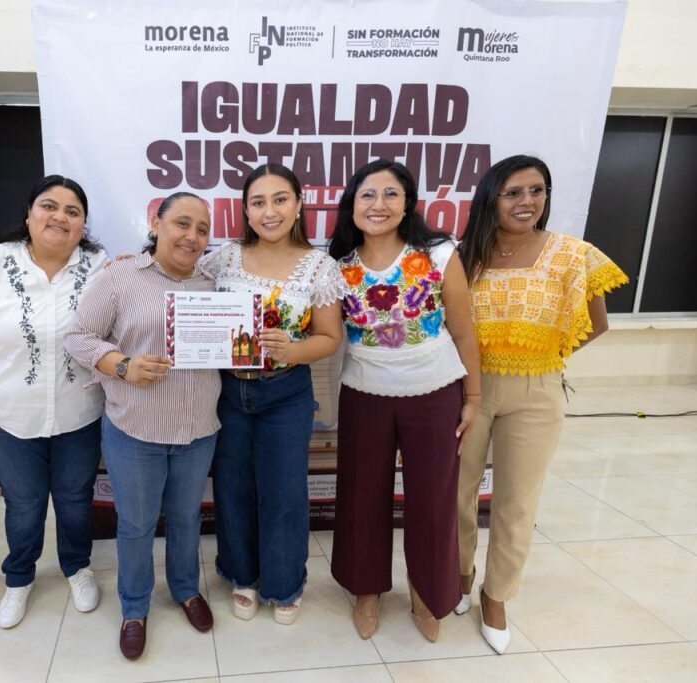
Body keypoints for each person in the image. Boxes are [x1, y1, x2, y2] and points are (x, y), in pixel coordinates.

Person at [455, 155, 628, 654]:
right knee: (456, 493)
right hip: (468, 390)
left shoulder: (571, 254)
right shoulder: (465, 255)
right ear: (491, 197)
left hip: (536, 393)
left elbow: (597, 323)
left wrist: (543, 354)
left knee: (515, 502)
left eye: (536, 190)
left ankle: (496, 596)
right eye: (512, 192)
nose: (526, 201)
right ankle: (459, 578)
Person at [0, 175, 109, 629]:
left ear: (83, 224)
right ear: (28, 215)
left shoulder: (100, 266)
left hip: (81, 411)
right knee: (24, 502)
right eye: (49, 206)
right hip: (9, 416)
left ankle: (77, 567)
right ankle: (19, 577)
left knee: (75, 499)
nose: (60, 217)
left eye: (73, 211)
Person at [327, 160, 481, 641]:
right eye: (368, 195)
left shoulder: (437, 253)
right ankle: (366, 590)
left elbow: (462, 327)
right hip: (364, 393)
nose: (379, 204)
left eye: (390, 194)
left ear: (407, 202)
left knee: (434, 499)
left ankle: (427, 592)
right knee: (361, 493)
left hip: (435, 393)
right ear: (352, 204)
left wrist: (472, 394)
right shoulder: (336, 265)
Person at [64, 192, 220, 660]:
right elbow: (77, 335)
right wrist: (121, 364)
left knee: (188, 516)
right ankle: (135, 607)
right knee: (135, 523)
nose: (192, 237)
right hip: (136, 429)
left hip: (198, 428)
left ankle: (186, 589)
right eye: (182, 224)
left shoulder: (214, 284)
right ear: (156, 222)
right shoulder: (121, 277)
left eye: (203, 229)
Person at [202, 163, 344, 625]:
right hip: (227, 392)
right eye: (258, 202)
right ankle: (242, 576)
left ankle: (285, 584)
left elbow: (329, 336)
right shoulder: (223, 258)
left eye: (280, 199)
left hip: (285, 394)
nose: (269, 211)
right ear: (245, 210)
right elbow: (177, 283)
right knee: (233, 487)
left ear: (298, 204)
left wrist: (296, 348)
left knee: (284, 493)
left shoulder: (318, 266)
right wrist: (137, 262)